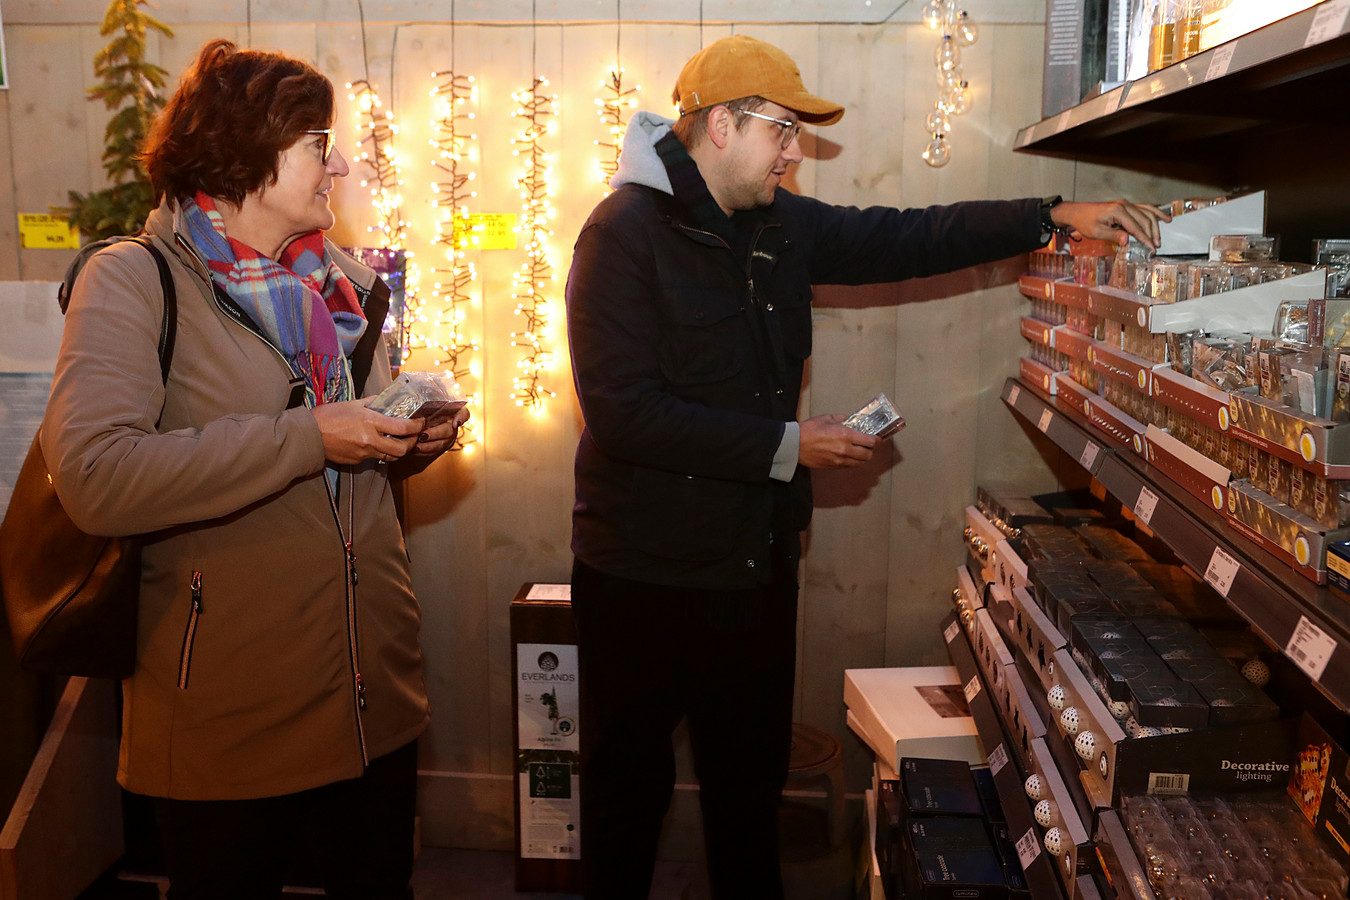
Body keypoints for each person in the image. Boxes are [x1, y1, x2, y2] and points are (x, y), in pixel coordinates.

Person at [564, 33, 1167, 899]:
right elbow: (626, 415)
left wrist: (1048, 215)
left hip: (754, 574)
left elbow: (904, 238)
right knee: (626, 804)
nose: (794, 152)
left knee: (746, 804)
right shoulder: (620, 235)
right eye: (782, 131)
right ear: (723, 126)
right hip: (642, 579)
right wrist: (790, 447)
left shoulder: (778, 224)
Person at [42, 39, 468, 899]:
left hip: (369, 700)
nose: (340, 164)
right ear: (248, 152)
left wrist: (404, 443)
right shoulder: (134, 282)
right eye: (318, 143)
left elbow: (347, 458)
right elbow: (95, 474)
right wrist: (312, 435)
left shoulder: (344, 286)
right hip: (226, 718)